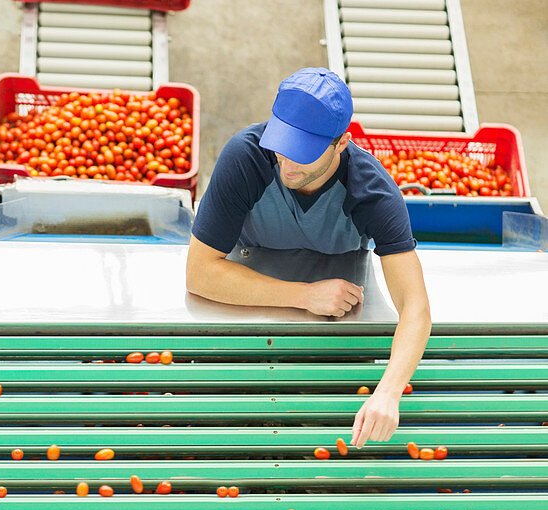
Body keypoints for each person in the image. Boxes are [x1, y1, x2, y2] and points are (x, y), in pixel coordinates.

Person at [185, 68, 431, 447]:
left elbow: (415, 307)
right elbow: (200, 275)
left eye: (304, 152)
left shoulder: (372, 192)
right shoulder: (247, 157)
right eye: (283, 144)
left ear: (342, 143)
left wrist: (388, 392)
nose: (288, 164)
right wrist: (303, 295)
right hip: (243, 296)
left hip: (339, 317)